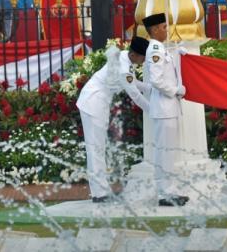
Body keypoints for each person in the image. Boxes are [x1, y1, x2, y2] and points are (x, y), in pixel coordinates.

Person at [76, 37, 151, 202]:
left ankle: (100, 191)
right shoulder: (124, 66)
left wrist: (150, 88)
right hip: (93, 103)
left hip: (96, 103)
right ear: (135, 55)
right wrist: (153, 110)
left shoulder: (125, 56)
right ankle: (99, 194)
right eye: (143, 57)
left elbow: (133, 81)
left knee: (98, 149)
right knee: (95, 149)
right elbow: (135, 96)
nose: (144, 60)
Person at [142, 13, 189, 207]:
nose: (166, 30)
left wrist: (178, 54)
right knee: (164, 152)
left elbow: (167, 71)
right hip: (164, 107)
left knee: (170, 152)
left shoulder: (161, 48)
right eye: (163, 27)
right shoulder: (155, 48)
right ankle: (164, 193)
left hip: (168, 108)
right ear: (153, 30)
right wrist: (175, 90)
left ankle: (170, 190)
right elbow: (156, 79)